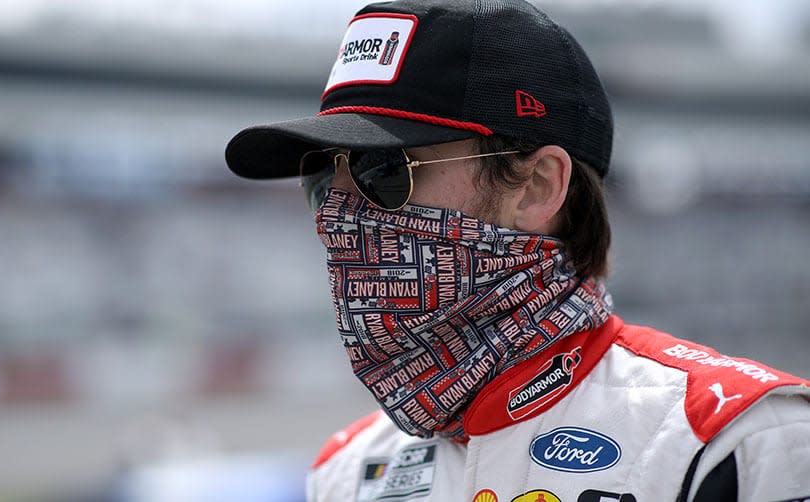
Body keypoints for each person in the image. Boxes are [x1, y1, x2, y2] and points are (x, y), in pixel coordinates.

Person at [225, 0, 810, 500]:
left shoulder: (735, 441)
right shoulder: (346, 473)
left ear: (536, 187)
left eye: (382, 171)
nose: (338, 219)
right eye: (324, 183)